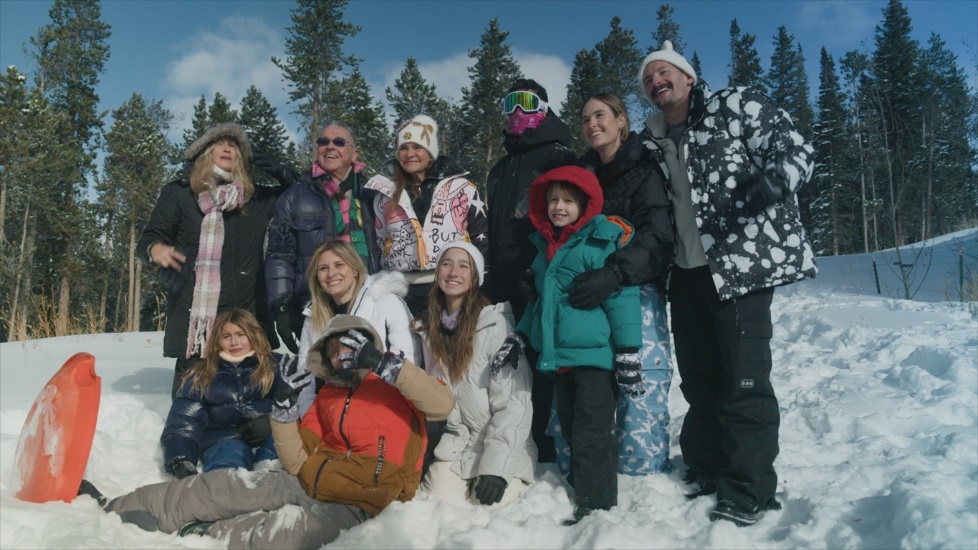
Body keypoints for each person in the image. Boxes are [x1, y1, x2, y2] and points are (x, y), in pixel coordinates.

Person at [77, 315, 455, 549]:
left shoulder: (398, 386)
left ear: (368, 349)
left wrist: (385, 366)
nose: (344, 357)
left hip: (360, 503)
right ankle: (118, 506)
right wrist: (284, 413)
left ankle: (206, 534)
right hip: (308, 481)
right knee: (224, 486)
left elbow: (442, 404)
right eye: (336, 350)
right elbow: (295, 459)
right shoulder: (328, 398)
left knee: (282, 536)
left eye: (353, 349)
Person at [638, 41, 817, 526]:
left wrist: (773, 182)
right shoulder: (651, 140)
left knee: (742, 380)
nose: (656, 81)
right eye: (648, 78)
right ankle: (709, 468)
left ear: (688, 77)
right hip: (686, 273)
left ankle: (750, 488)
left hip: (741, 267)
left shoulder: (737, 106)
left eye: (663, 72)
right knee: (699, 380)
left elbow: (796, 149)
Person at [496, 165, 642, 525]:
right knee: (575, 426)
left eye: (568, 200)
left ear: (585, 205)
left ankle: (598, 502)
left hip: (594, 357)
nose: (559, 207)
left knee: (593, 429)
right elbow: (540, 306)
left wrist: (628, 351)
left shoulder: (599, 242)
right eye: (553, 200)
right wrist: (520, 336)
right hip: (562, 358)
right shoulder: (545, 248)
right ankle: (586, 481)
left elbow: (623, 300)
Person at [138, 122, 291, 398]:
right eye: (219, 142)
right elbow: (148, 239)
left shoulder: (256, 200)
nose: (227, 148)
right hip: (196, 320)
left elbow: (296, 185)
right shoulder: (180, 193)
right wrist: (155, 248)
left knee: (253, 409)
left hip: (247, 314)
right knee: (191, 406)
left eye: (235, 145)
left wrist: (262, 158)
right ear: (204, 151)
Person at [573, 92, 676, 475]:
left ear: (621, 120)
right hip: (589, 291)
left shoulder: (645, 168)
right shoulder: (582, 175)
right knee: (591, 380)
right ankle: (591, 464)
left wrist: (616, 272)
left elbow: (659, 238)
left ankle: (642, 469)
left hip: (636, 288)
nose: (591, 125)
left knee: (640, 381)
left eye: (600, 115)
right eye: (585, 119)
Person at [485, 79, 577, 464]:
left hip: (541, 274)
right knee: (507, 357)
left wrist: (550, 268)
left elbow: (569, 216)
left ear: (543, 108)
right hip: (503, 277)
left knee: (543, 355)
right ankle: (513, 430)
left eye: (527, 102)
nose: (518, 112)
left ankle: (547, 437)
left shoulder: (560, 157)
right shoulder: (500, 168)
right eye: (510, 103)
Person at [414, 242, 536, 508]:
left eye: (463, 265)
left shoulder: (495, 324)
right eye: (446, 263)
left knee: (488, 509)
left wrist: (497, 467)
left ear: (476, 277)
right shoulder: (427, 332)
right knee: (436, 504)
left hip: (502, 440)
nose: (453, 272)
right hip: (458, 443)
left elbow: (515, 402)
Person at [264, 122, 380, 353]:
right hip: (317, 306)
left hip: (371, 302)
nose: (330, 147)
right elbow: (279, 255)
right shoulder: (294, 197)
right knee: (322, 379)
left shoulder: (375, 194)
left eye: (339, 142)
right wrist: (283, 306)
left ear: (354, 153)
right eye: (323, 141)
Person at [365, 114, 489, 317]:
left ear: (430, 151)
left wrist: (481, 282)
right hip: (400, 288)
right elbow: (377, 241)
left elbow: (481, 236)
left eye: (417, 147)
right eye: (403, 148)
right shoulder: (383, 193)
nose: (409, 154)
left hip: (449, 285)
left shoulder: (462, 188)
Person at [294, 239, 420, 416]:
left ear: (355, 269)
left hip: (383, 408)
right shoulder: (313, 317)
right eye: (323, 268)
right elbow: (305, 378)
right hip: (333, 415)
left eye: (339, 265)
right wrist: (310, 421)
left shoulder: (386, 302)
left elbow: (408, 365)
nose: (331, 274)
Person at [161, 309, 286, 478]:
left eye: (241, 334)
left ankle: (272, 482)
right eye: (226, 337)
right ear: (217, 340)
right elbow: (184, 422)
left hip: (270, 435)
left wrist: (273, 421)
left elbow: (298, 403)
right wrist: (180, 459)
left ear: (253, 335)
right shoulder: (202, 374)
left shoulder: (275, 366)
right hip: (224, 441)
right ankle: (224, 491)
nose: (234, 342)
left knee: (278, 451)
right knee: (228, 459)